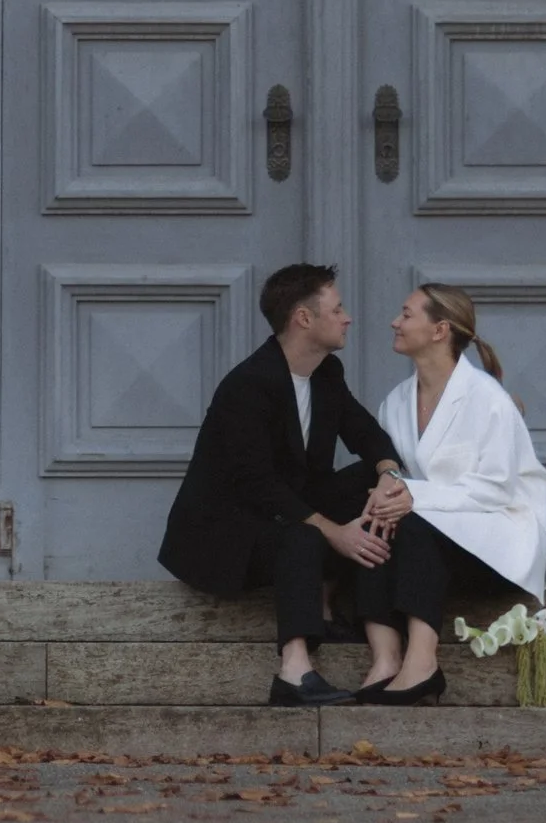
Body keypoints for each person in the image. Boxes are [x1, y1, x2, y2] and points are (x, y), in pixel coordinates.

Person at [157, 264, 416, 708]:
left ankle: (329, 601)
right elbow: (256, 484)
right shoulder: (249, 385)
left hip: (281, 511)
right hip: (225, 532)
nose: (348, 317)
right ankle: (294, 672)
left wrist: (388, 475)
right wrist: (334, 532)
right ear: (303, 318)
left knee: (366, 483)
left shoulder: (325, 373)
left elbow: (365, 435)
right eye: (337, 309)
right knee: (302, 534)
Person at [355, 283, 546, 705]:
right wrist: (395, 495)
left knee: (412, 520)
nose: (395, 322)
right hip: (430, 541)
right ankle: (385, 656)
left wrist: (414, 497)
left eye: (407, 314)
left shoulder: (488, 399)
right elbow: (399, 483)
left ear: (439, 329)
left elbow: (497, 488)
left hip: (499, 540)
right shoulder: (394, 403)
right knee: (379, 515)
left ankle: (423, 661)